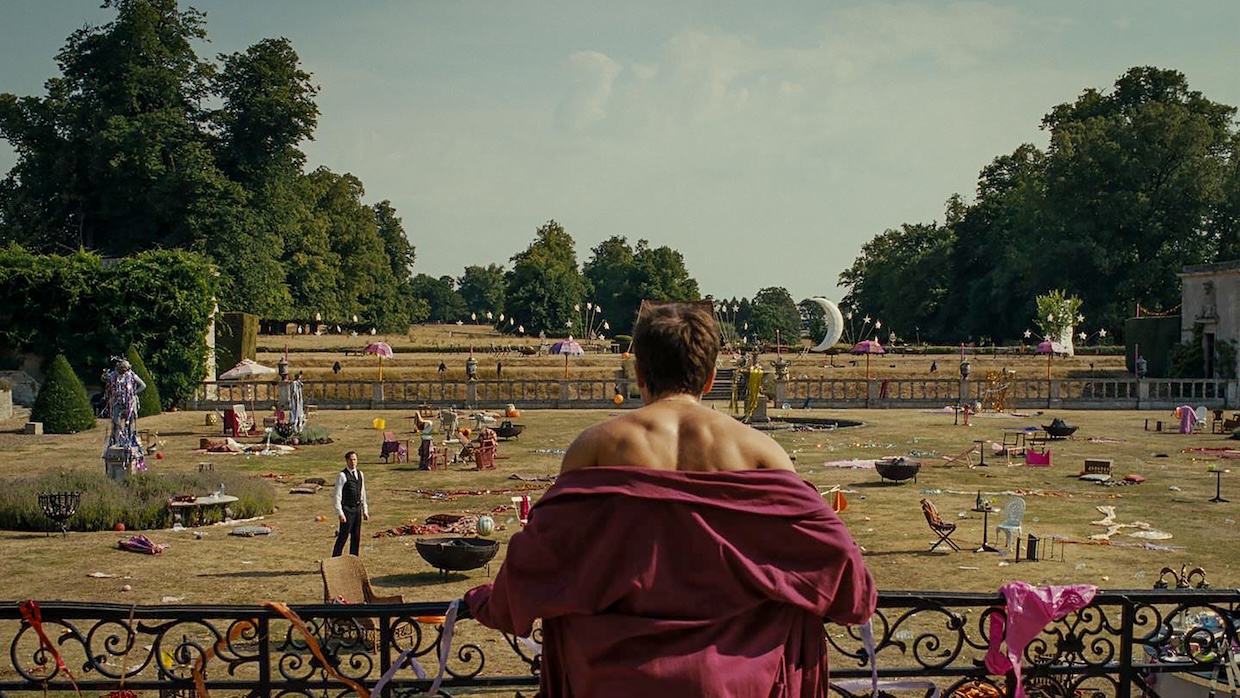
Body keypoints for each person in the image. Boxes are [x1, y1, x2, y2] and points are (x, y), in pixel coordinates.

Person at [463, 302, 876, 697]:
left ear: (639, 372)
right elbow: (842, 569)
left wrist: (487, 602)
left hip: (612, 680)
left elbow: (541, 558)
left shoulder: (597, 447)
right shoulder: (760, 452)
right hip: (738, 679)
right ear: (711, 377)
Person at [331, 451, 369, 557]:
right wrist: (340, 513)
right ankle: (335, 559)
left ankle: (354, 560)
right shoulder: (342, 475)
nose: (353, 462)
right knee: (343, 536)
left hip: (357, 509)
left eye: (354, 459)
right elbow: (337, 496)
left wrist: (365, 510)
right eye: (351, 460)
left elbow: (362, 493)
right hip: (347, 510)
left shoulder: (360, 474)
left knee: (356, 536)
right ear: (347, 461)